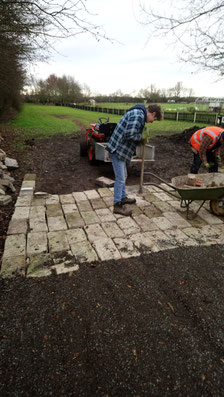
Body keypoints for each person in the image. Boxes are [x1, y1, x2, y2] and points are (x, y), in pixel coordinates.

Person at [106, 104, 162, 216]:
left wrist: (141, 136)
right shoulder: (138, 115)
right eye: (154, 119)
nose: (151, 122)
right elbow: (130, 134)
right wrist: (142, 138)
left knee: (124, 176)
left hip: (120, 150)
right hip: (117, 149)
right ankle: (117, 205)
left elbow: (131, 132)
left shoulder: (139, 115)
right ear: (153, 113)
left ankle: (122, 197)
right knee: (120, 178)